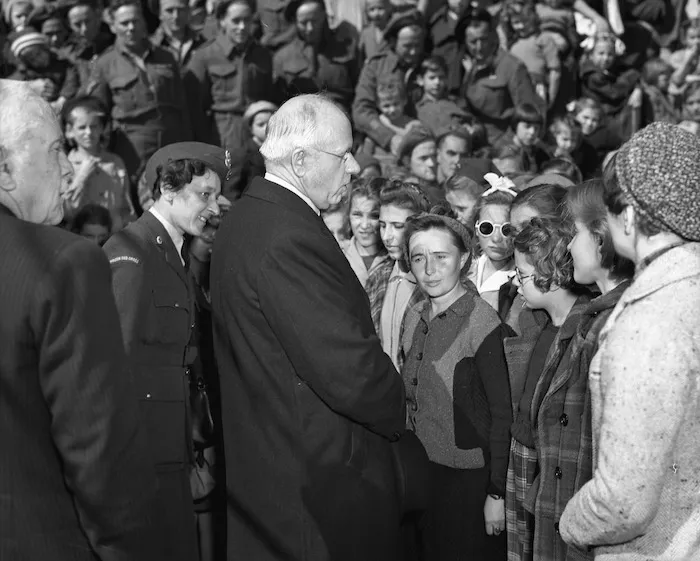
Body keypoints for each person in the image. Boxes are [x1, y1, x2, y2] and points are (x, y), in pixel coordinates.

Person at [210, 94, 408, 561]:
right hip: (313, 486)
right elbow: (349, 373)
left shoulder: (251, 215)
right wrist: (403, 408)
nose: (355, 167)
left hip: (277, 470)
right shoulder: (287, 235)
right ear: (300, 159)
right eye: (344, 155)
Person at [0, 78, 164, 561]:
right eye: (54, 150)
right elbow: (98, 448)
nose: (69, 164)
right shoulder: (64, 263)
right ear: (6, 169)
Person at [560, 122, 700, 559]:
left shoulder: (653, 319)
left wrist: (570, 524)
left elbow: (623, 502)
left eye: (614, 202)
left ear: (633, 215)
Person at [103, 141, 226, 561]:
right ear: (168, 191)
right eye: (203, 195)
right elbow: (117, 362)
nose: (213, 206)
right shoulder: (132, 254)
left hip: (175, 439)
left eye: (216, 194)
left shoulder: (170, 252)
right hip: (145, 446)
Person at [527, 179, 634, 561]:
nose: (569, 245)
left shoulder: (620, 322)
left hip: (586, 537)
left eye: (575, 233)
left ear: (602, 235)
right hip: (563, 522)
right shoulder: (590, 314)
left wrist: (575, 528)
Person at [401, 208, 511, 560]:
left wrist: (496, 494)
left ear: (464, 258)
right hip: (421, 472)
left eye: (441, 257)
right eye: (419, 258)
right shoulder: (415, 314)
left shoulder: (481, 321)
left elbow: (502, 414)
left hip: (466, 482)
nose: (429, 270)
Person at [506, 217, 589, 561]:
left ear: (552, 276)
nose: (515, 281)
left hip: (554, 465)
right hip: (523, 452)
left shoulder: (584, 330)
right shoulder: (533, 322)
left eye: (522, 274)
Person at [86, 0, 191, 196]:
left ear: (144, 23)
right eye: (124, 23)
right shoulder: (104, 64)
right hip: (133, 148)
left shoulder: (166, 57)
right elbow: (98, 113)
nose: (131, 28)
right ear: (113, 26)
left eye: (136, 21)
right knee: (139, 202)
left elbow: (183, 106)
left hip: (172, 142)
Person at [184, 0, 274, 198]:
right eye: (235, 21)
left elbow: (269, 97)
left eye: (247, 20)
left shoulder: (263, 55)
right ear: (222, 21)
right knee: (224, 197)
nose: (242, 27)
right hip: (222, 136)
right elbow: (194, 108)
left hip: (257, 136)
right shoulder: (205, 56)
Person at [457, 7, 544, 147]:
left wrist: (504, 149)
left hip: (503, 148)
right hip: (475, 143)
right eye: (473, 42)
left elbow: (528, 116)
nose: (479, 47)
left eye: (484, 39)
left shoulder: (512, 67)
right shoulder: (466, 65)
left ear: (493, 36)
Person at [273, 0, 359, 114]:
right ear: (295, 21)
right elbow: (278, 100)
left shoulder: (347, 50)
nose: (310, 28)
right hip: (298, 120)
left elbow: (359, 93)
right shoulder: (282, 57)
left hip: (340, 117)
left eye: (315, 21)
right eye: (303, 23)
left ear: (324, 16)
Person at [62, 95, 134, 230]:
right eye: (82, 127)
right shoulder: (66, 165)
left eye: (94, 126)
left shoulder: (114, 162)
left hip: (113, 239)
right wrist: (82, 176)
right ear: (70, 131)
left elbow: (127, 209)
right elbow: (66, 211)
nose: (88, 132)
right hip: (80, 240)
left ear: (102, 128)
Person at [343, 176, 389, 288]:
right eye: (357, 215)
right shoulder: (338, 255)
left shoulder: (395, 259)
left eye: (374, 216)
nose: (364, 225)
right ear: (348, 215)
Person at [150, 0, 207, 67]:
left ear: (188, 11)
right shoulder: (150, 47)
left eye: (180, 10)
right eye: (169, 10)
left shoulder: (203, 44)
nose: (176, 16)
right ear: (160, 13)